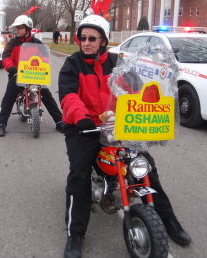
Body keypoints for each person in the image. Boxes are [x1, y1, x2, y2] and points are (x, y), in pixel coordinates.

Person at [58, 15, 191, 258]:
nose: (85, 43)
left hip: (117, 124)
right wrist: (82, 118)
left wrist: (149, 109)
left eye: (92, 38)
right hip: (84, 126)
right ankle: (75, 233)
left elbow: (137, 91)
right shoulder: (72, 64)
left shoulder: (118, 64)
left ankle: (168, 221)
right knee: (78, 174)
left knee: (146, 168)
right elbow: (68, 96)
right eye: (82, 38)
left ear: (103, 41)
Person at [0, 15, 64, 137]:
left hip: (35, 76)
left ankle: (59, 121)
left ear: (28, 29)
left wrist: (44, 67)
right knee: (9, 98)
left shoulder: (37, 43)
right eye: (16, 28)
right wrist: (11, 68)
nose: (17, 30)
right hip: (17, 75)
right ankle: (1, 124)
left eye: (20, 28)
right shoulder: (12, 43)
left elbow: (45, 58)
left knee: (47, 96)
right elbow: (6, 57)